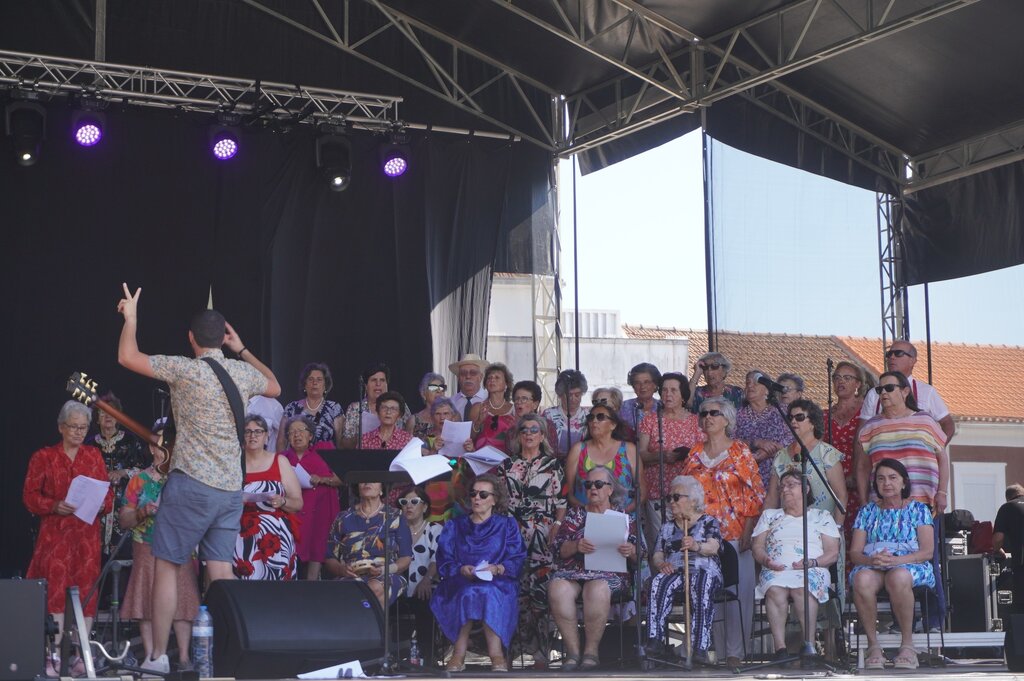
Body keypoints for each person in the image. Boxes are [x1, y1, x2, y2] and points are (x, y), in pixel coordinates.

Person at [116, 283, 281, 674]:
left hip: (191, 484)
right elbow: (274, 386)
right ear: (223, 337)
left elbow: (127, 356)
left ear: (190, 339)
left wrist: (132, 319)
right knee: (221, 570)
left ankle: (156, 658)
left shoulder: (184, 369)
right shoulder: (242, 372)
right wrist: (240, 348)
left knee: (168, 566)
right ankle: (234, 655)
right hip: (229, 490)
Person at [24, 401, 114, 677]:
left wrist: (102, 504)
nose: (78, 432)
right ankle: (53, 653)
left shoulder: (93, 456)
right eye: (73, 427)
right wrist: (53, 505)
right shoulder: (44, 457)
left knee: (86, 592)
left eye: (83, 427)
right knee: (54, 592)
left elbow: (108, 497)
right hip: (56, 537)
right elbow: (29, 497)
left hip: (86, 537)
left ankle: (79, 654)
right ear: (61, 427)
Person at [855, 370, 948, 633]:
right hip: (885, 507)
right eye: (879, 390)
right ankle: (900, 623)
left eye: (889, 388)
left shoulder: (926, 421)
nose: (883, 393)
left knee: (927, 562)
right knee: (891, 561)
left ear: (905, 392)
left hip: (923, 504)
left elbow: (943, 458)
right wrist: (864, 500)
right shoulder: (871, 426)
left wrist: (942, 492)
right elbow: (862, 467)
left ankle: (934, 621)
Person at [680, 397, 765, 669]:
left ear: (727, 419)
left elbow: (756, 494)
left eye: (714, 413)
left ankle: (735, 652)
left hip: (734, 532)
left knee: (738, 594)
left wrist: (749, 531)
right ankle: (712, 648)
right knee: (708, 593)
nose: (707, 417)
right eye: (703, 413)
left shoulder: (740, 451)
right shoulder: (694, 452)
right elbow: (683, 493)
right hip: (702, 535)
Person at [119, 422, 199, 673]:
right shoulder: (138, 480)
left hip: (180, 543)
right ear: (151, 449)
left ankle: (184, 658)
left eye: (169, 444)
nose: (164, 449)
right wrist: (144, 511)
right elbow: (124, 520)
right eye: (159, 445)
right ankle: (154, 657)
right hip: (146, 544)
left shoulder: (185, 477)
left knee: (183, 599)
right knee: (146, 598)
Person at [548, 467, 641, 671]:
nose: (593, 489)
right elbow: (557, 548)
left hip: (610, 575)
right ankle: (573, 654)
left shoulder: (623, 517)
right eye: (588, 485)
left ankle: (591, 653)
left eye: (598, 484)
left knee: (596, 588)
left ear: (610, 490)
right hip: (573, 572)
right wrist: (575, 545)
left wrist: (631, 550)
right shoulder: (575, 515)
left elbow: (641, 555)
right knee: (557, 588)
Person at [430, 474, 526, 672]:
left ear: (494, 499)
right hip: (460, 581)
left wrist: (498, 568)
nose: (477, 498)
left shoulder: (507, 525)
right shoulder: (454, 526)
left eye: (483, 494)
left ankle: (497, 655)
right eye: (473, 494)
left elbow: (517, 557)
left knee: (487, 593)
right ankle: (458, 655)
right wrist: (460, 568)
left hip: (498, 582)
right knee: (468, 593)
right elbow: (444, 559)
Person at [849, 459, 935, 670]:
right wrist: (871, 560)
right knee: (861, 578)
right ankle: (873, 646)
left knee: (898, 576)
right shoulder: (867, 511)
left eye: (892, 478)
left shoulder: (919, 509)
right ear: (875, 484)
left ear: (904, 483)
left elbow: (927, 552)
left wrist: (897, 561)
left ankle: (907, 646)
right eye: (881, 479)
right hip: (875, 564)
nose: (886, 483)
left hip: (911, 563)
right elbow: (854, 553)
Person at [753, 469, 840, 659]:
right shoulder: (770, 515)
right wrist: (766, 560)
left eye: (791, 485)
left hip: (812, 568)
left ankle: (808, 645)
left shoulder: (821, 516)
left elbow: (832, 553)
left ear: (806, 488)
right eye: (782, 486)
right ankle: (780, 649)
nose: (785, 490)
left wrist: (813, 562)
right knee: (775, 589)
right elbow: (757, 547)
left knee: (803, 587)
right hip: (776, 568)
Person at [505, 414, 567, 667]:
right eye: (524, 430)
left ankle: (542, 653)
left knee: (540, 594)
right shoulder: (507, 465)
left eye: (534, 430)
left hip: (543, 533)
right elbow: (499, 501)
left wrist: (558, 525)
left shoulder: (552, 465)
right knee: (516, 593)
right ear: (518, 436)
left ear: (542, 436)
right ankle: (513, 651)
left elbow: (561, 502)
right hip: (513, 534)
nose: (529, 434)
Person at [645, 476, 722, 659]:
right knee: (658, 582)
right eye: (669, 498)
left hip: (703, 569)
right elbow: (657, 554)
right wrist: (661, 564)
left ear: (693, 500)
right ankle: (655, 640)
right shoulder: (667, 527)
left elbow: (714, 547)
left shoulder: (708, 521)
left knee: (702, 584)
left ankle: (700, 647)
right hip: (676, 569)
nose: (671, 502)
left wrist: (696, 546)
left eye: (676, 497)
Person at [637, 372, 704, 546]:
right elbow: (640, 453)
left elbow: (704, 454)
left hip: (687, 493)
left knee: (686, 540)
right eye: (665, 390)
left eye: (673, 390)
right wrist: (662, 456)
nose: (668, 394)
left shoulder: (695, 421)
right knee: (661, 543)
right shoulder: (650, 421)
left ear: (683, 395)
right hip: (657, 491)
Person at [233, 415, 303, 580]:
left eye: (258, 431)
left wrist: (282, 501)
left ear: (266, 436)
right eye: (248, 431)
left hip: (276, 535)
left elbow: (298, 502)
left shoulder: (280, 461)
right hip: (241, 535)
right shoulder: (234, 463)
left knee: (277, 586)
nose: (253, 436)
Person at [324, 481, 413, 609]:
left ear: (382, 489)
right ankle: (360, 628)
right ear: (357, 488)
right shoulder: (343, 518)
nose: (367, 483)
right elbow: (330, 557)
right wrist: (341, 570)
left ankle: (371, 628)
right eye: (362, 480)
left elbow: (406, 558)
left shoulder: (396, 516)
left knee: (374, 588)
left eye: (373, 480)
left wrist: (383, 570)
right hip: (351, 575)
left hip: (386, 574)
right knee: (344, 591)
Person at [764, 400, 847, 524]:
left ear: (813, 423)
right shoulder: (780, 456)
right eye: (790, 417)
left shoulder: (827, 453)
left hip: (821, 530)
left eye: (799, 417)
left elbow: (841, 496)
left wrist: (837, 529)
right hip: (788, 528)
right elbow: (772, 497)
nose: (793, 421)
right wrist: (764, 527)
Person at [89, 392, 150, 560]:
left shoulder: (131, 441)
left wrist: (123, 473)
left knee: (122, 562)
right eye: (103, 411)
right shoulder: (89, 444)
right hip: (96, 508)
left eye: (112, 411)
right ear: (96, 417)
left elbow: (146, 473)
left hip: (124, 507)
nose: (108, 416)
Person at [859, 340, 956, 445]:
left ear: (913, 360)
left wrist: (936, 451)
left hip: (917, 459)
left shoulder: (927, 392)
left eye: (898, 353)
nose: (892, 357)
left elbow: (948, 424)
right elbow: (862, 433)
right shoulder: (874, 393)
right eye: (889, 354)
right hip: (882, 458)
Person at [281, 415, 341, 581]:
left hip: (321, 508)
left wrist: (322, 479)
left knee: (317, 548)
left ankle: (313, 593)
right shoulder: (282, 458)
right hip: (294, 511)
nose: (297, 435)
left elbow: (342, 478)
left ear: (311, 436)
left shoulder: (324, 452)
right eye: (292, 432)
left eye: (301, 431)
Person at [824, 361, 871, 549]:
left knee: (857, 536)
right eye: (836, 377)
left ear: (858, 384)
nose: (840, 382)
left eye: (847, 378)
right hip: (832, 483)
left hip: (858, 481)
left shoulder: (866, 412)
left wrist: (856, 475)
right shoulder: (825, 414)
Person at [397, 486, 443, 667]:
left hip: (426, 585)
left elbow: (437, 558)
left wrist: (427, 579)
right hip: (399, 585)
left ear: (424, 507)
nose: (409, 506)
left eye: (414, 502)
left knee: (425, 601)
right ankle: (395, 655)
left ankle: (428, 656)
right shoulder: (395, 530)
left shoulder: (434, 529)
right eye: (404, 502)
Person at [565, 402, 641, 512]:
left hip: (623, 519)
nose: (594, 421)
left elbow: (641, 493)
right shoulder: (578, 450)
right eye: (591, 418)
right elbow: (569, 492)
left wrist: (620, 515)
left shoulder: (629, 449)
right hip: (586, 519)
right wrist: (587, 510)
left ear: (613, 425)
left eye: (600, 417)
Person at [736, 368, 794, 493]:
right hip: (746, 476)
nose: (750, 385)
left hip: (780, 474)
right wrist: (756, 443)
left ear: (767, 389)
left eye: (755, 382)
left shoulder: (784, 411)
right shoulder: (738, 414)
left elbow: (793, 439)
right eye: (747, 383)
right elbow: (730, 442)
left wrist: (768, 452)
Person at [341, 364, 413, 448]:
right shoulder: (355, 408)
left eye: (382, 380)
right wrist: (364, 438)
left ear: (387, 384)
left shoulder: (399, 405)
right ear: (366, 386)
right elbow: (344, 444)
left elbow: (409, 435)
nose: (378, 384)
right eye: (373, 380)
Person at [276, 362, 343, 450]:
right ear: (305, 384)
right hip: (296, 462)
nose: (314, 382)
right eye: (310, 379)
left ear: (325, 386)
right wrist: (281, 462)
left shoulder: (334, 408)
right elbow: (281, 442)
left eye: (319, 379)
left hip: (326, 461)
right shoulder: (291, 408)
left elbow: (340, 444)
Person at [422, 397, 464, 522]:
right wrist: (434, 450)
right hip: (434, 496)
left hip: (457, 494)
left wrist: (471, 450)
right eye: (438, 414)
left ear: (453, 416)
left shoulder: (462, 437)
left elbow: (464, 466)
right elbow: (422, 470)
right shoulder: (426, 440)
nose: (442, 417)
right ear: (432, 417)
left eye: (446, 413)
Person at [469, 363, 516, 453]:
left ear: (506, 384)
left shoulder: (514, 409)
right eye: (489, 378)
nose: (492, 380)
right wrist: (479, 422)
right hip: (482, 457)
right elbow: (470, 439)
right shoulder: (477, 408)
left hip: (507, 460)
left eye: (497, 378)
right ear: (485, 384)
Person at [542, 369, 589, 459]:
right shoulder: (549, 414)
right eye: (569, 395)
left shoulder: (588, 415)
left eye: (577, 395)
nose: (573, 399)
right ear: (560, 395)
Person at [512, 380, 558, 452]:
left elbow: (553, 453)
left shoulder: (547, 426)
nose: (519, 402)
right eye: (517, 399)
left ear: (535, 404)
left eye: (524, 399)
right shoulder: (512, 430)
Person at [620, 362, 662, 437]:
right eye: (637, 383)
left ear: (655, 385)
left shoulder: (663, 407)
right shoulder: (623, 407)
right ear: (633, 386)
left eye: (647, 382)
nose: (642, 387)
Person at [449, 353, 489, 421]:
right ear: (458, 378)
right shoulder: (451, 402)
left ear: (481, 377)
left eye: (473, 373)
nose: (468, 376)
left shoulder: (489, 399)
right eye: (463, 373)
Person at [413, 372, 447, 440]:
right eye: (433, 387)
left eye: (441, 387)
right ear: (423, 394)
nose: (438, 391)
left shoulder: (454, 416)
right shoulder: (413, 421)